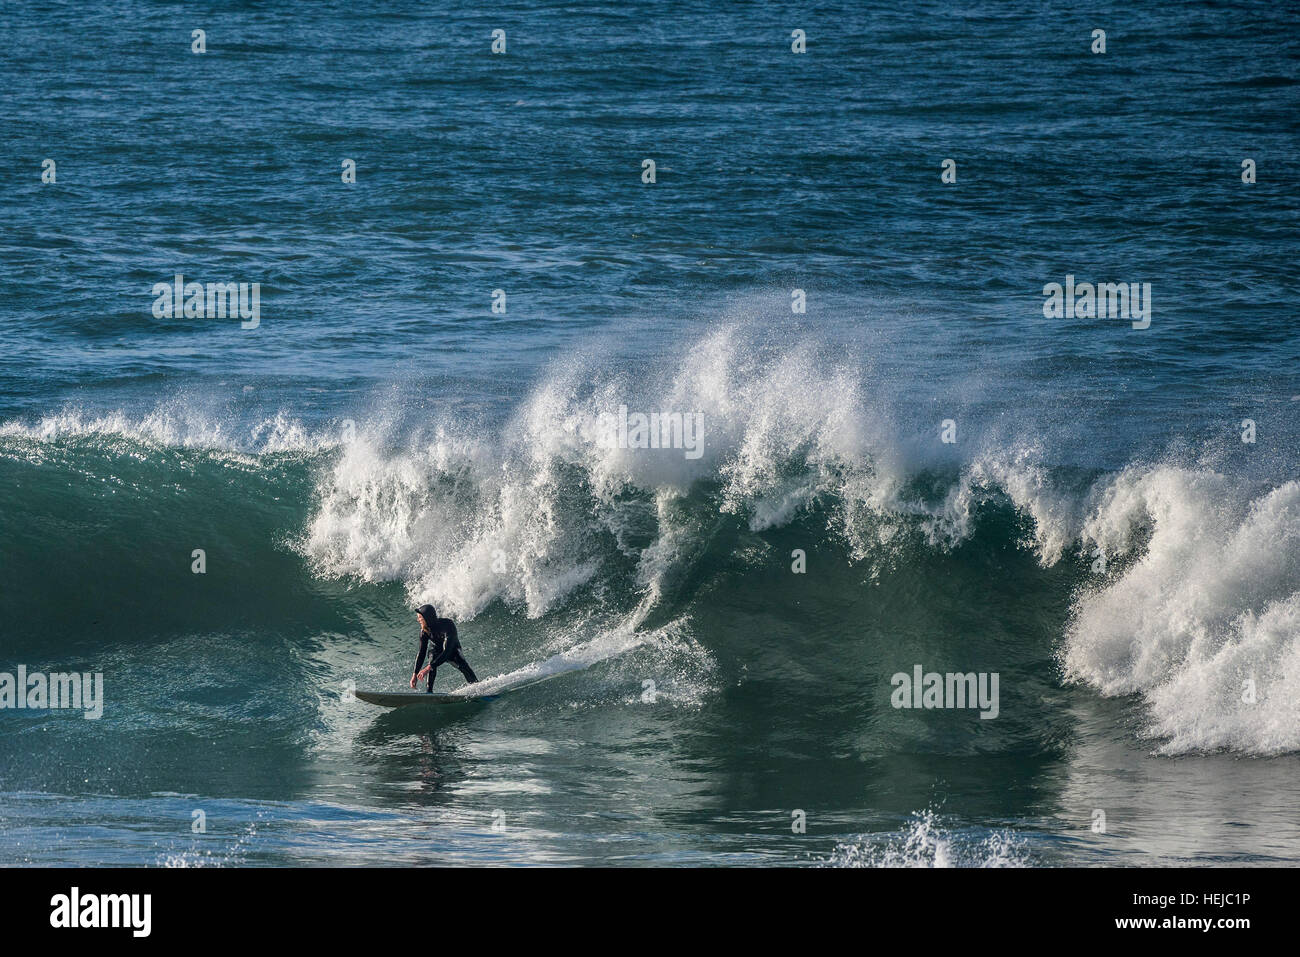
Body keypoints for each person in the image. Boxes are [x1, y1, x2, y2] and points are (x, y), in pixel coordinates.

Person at [410, 604, 478, 692]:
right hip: (436, 649)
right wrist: (415, 674)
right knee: (432, 659)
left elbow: (447, 651)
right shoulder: (424, 631)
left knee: (463, 667)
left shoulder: (447, 625)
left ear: (427, 618)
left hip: (452, 649)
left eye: (420, 618)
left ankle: (477, 688)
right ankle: (429, 692)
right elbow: (421, 653)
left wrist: (428, 668)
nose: (418, 620)